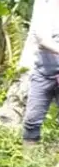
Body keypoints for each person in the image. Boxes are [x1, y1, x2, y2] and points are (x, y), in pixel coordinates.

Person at [22, 18, 59, 146]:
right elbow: (43, 41)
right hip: (42, 75)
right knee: (31, 121)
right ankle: (29, 162)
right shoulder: (47, 18)